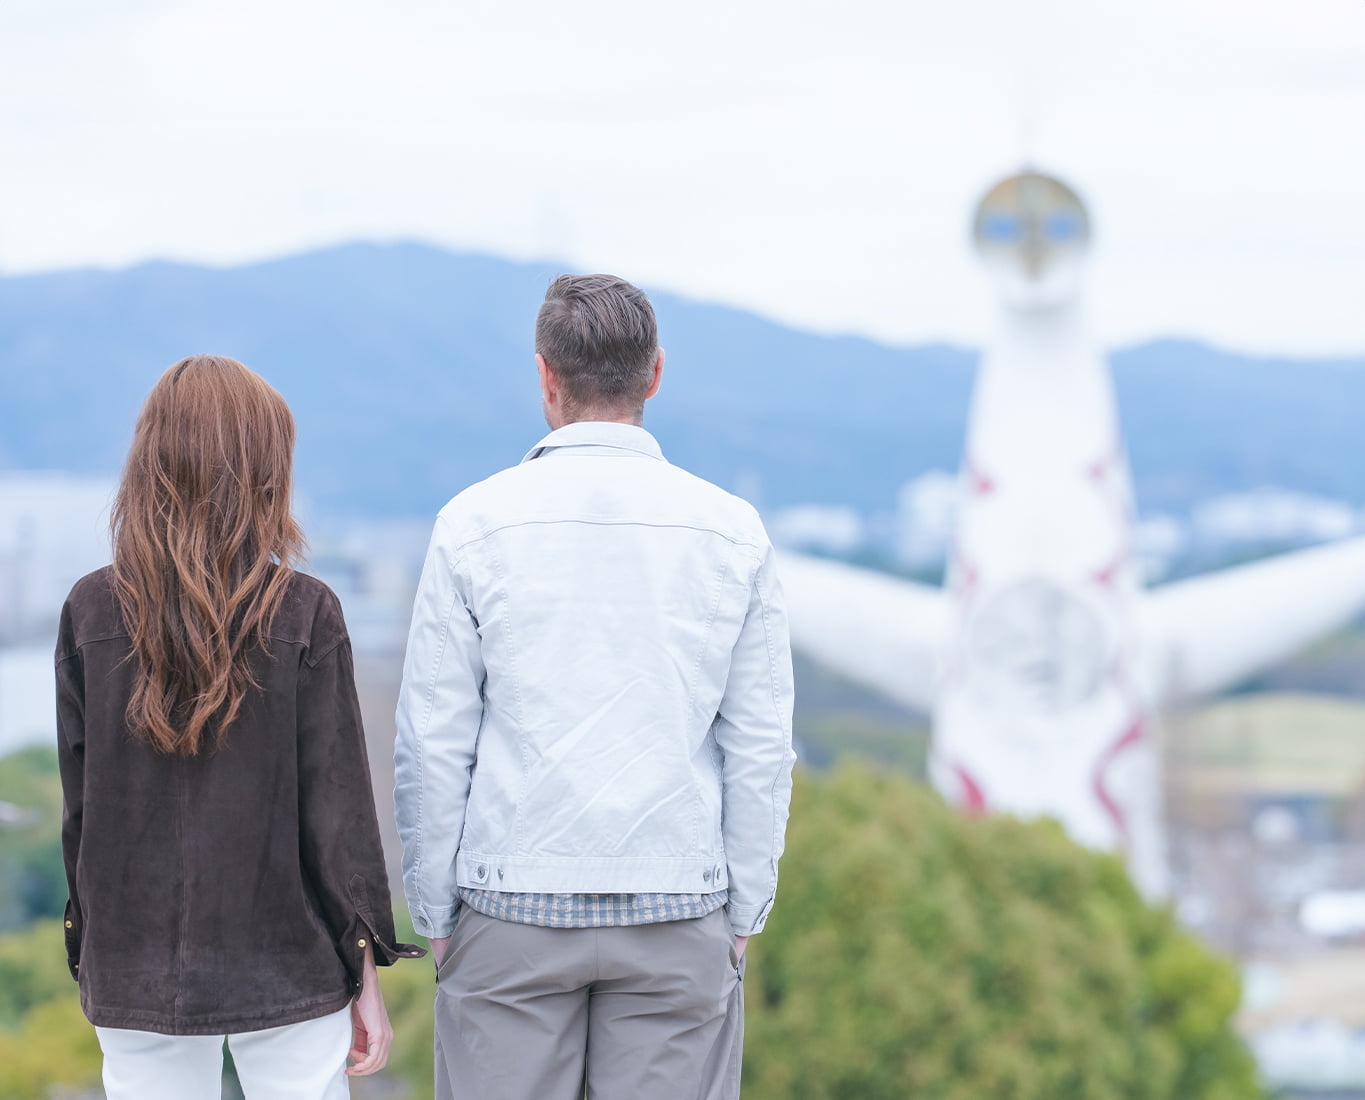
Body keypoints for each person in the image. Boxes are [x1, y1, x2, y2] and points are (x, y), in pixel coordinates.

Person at [394, 274, 797, 1099]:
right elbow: (759, 744)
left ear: (545, 376)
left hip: (509, 906)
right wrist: (743, 912)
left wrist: (437, 916)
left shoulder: (472, 523)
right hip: (679, 902)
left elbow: (431, 745)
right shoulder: (731, 529)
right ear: (654, 374)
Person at [55, 355, 422, 1100]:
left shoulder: (90, 610)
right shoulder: (304, 612)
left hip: (132, 958)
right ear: (263, 466)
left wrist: (90, 944)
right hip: (286, 958)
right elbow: (338, 815)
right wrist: (364, 968)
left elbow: (80, 813)